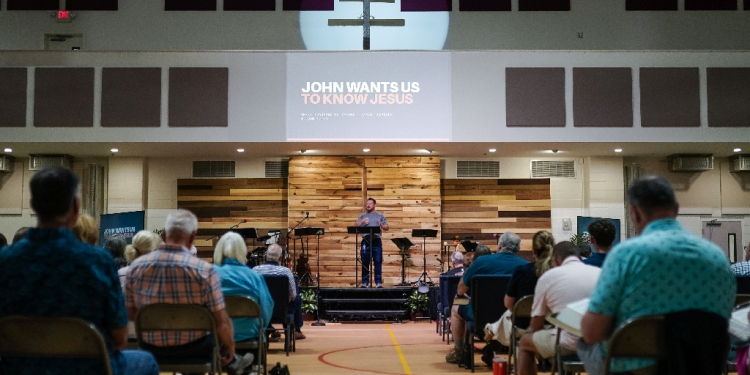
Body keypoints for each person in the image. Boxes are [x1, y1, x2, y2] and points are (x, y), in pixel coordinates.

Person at [0, 166, 159, 375]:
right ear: (76, 206)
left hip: (19, 369)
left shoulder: (5, 261)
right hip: (89, 369)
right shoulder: (98, 262)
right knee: (145, 360)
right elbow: (119, 339)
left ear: (32, 206)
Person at [580, 175, 736, 375]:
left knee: (585, 343)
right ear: (676, 209)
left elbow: (593, 333)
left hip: (636, 369)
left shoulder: (626, 255)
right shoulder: (718, 257)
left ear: (634, 213)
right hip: (702, 365)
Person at [125, 209, 253, 375]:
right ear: (192, 237)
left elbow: (131, 314)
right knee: (211, 333)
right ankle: (235, 362)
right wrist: (230, 346)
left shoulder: (135, 269)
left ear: (164, 234)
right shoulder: (205, 271)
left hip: (151, 347)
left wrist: (160, 322)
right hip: (196, 349)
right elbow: (221, 322)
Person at [516, 241, 601, 375]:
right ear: (579, 258)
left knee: (525, 342)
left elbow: (536, 324)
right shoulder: (600, 273)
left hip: (567, 344)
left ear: (555, 260)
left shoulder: (548, 277)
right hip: (598, 342)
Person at [445, 232, 527, 363]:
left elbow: (461, 288)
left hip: (479, 317)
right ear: (518, 248)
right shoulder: (524, 265)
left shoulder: (481, 262)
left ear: (500, 246)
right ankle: (493, 346)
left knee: (455, 309)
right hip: (511, 318)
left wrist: (461, 296)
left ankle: (459, 351)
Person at [488, 231, 555, 347]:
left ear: (533, 250)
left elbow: (508, 303)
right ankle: (491, 329)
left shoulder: (523, 271)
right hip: (554, 325)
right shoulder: (560, 273)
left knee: (509, 314)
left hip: (524, 326)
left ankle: (491, 329)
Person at [213, 232, 274, 343]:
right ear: (243, 251)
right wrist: (261, 328)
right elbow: (267, 307)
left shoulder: (208, 275)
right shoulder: (255, 277)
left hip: (216, 333)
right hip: (249, 332)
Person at [253, 243, 306, 340]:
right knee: (297, 298)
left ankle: (270, 329)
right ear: (280, 257)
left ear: (265, 254)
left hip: (261, 310)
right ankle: (295, 330)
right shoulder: (286, 272)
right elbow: (293, 295)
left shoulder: (255, 271)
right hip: (282, 311)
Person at [354, 197, 389, 288]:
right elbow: (355, 225)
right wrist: (362, 221)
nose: (368, 205)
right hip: (365, 241)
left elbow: (386, 227)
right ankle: (365, 282)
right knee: (365, 261)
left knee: (377, 261)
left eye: (370, 203)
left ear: (374, 205)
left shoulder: (380, 216)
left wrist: (381, 225)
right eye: (367, 203)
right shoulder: (363, 216)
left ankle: (378, 282)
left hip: (376, 241)